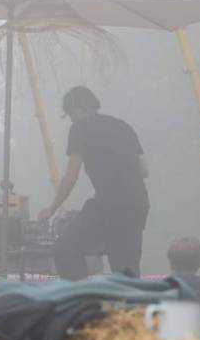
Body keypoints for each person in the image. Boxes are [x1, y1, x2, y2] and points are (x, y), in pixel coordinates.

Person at [38, 86, 150, 279]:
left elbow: (71, 176)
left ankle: (83, 301)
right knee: (126, 270)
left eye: (69, 114)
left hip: (108, 204)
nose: (70, 119)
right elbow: (144, 170)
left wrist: (52, 208)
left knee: (65, 250)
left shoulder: (80, 128)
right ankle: (130, 307)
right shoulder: (123, 126)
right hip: (137, 205)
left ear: (76, 108)